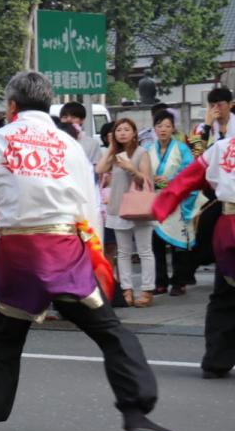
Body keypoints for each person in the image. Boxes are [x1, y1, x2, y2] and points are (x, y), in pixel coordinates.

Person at [0, 70, 178, 431]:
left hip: (16, 250)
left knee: (6, 337)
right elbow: (88, 208)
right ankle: (136, 414)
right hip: (63, 249)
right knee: (110, 332)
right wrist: (96, 259)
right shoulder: (69, 145)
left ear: (11, 106)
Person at [153, 127, 235, 379]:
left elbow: (188, 178)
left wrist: (162, 204)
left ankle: (216, 360)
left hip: (229, 225)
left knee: (225, 294)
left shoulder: (223, 147)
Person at [96, 118, 155, 307]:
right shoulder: (114, 154)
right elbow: (99, 169)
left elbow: (145, 180)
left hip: (139, 207)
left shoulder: (141, 153)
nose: (122, 133)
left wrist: (131, 169)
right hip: (117, 208)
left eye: (126, 129)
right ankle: (127, 290)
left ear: (134, 133)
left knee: (145, 250)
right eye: (118, 130)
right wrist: (112, 148)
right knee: (123, 252)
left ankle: (147, 290)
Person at [146, 109, 196, 296]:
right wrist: (153, 180)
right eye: (159, 126)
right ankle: (160, 281)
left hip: (176, 200)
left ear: (173, 128)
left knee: (178, 243)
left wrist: (171, 182)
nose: (163, 130)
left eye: (167, 126)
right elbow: (144, 172)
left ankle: (179, 281)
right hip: (156, 200)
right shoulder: (149, 149)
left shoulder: (182, 148)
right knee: (156, 243)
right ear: (155, 128)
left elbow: (189, 171)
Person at [189, 86, 232, 155]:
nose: (215, 109)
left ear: (230, 104)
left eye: (219, 105)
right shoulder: (198, 129)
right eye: (212, 106)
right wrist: (207, 126)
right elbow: (196, 153)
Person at [60, 101, 103, 165]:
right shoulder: (52, 141)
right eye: (65, 117)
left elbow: (96, 168)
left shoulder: (92, 144)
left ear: (82, 120)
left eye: (73, 117)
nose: (68, 120)